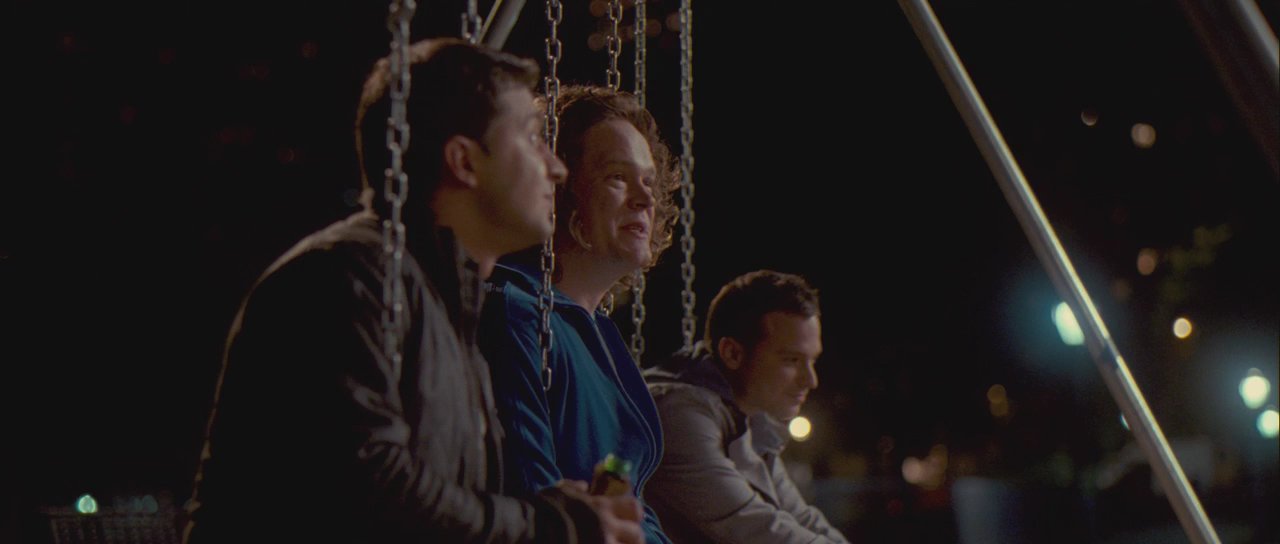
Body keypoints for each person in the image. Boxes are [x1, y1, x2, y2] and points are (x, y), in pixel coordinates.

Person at [184, 39, 642, 544]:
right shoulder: (344, 279)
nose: (555, 169)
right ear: (464, 161)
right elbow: (370, 490)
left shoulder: (445, 304)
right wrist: (552, 525)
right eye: (533, 139)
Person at [479, 85, 680, 544]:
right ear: (558, 191)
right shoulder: (517, 315)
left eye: (649, 182)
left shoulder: (595, 333)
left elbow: (626, 503)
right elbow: (535, 496)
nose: (645, 200)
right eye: (617, 177)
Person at [644, 270, 849, 543]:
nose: (811, 380)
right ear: (732, 353)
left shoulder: (750, 417)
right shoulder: (679, 414)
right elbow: (755, 527)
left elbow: (801, 518)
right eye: (791, 360)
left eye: (812, 361)